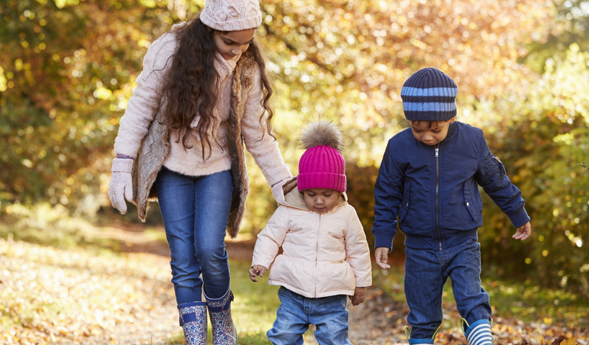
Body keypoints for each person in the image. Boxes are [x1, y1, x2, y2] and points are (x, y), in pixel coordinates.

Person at [106, 0, 293, 343]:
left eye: (247, 42)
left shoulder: (246, 67)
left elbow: (256, 132)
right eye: (230, 43)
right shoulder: (170, 50)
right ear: (210, 31)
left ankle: (221, 316)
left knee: (209, 247)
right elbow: (140, 108)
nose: (239, 50)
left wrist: (282, 180)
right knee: (182, 253)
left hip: (217, 166)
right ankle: (194, 333)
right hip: (173, 164)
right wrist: (122, 165)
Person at [372, 67, 532, 345]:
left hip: (463, 242)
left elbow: (495, 179)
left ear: (451, 117)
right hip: (419, 247)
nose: (427, 136)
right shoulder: (398, 147)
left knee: (472, 299)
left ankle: (482, 340)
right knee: (422, 314)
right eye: (417, 129)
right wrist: (383, 237)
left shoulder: (471, 141)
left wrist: (517, 212)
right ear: (409, 120)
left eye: (436, 129)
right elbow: (387, 194)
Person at [248, 121, 372, 345]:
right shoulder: (289, 210)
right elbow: (270, 236)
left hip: (332, 295)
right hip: (293, 292)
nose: (319, 200)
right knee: (283, 336)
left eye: (327, 194)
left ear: (339, 190)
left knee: (334, 338)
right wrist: (261, 262)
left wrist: (361, 283)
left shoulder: (347, 214)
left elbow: (358, 249)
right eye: (311, 193)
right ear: (302, 189)